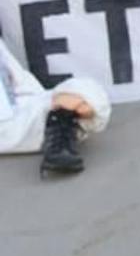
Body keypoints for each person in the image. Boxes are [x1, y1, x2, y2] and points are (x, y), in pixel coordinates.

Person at [2, 42, 111, 177]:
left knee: (85, 89)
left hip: (20, 110)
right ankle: (61, 129)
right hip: (12, 125)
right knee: (78, 99)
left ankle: (61, 123)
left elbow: (20, 83)